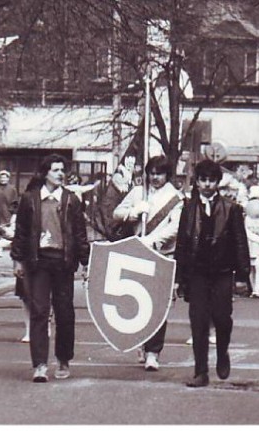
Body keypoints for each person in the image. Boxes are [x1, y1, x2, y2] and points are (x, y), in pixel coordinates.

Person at [11, 154, 90, 383]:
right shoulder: (30, 200)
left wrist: (85, 262)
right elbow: (22, 232)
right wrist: (17, 260)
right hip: (39, 262)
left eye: (62, 169)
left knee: (65, 313)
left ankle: (63, 359)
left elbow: (79, 234)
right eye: (55, 170)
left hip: (63, 262)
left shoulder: (71, 200)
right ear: (45, 173)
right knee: (39, 312)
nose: (60, 173)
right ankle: (40, 365)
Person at [174, 159, 250, 388]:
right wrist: (180, 278)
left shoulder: (231, 208)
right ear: (196, 182)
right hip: (197, 272)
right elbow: (182, 244)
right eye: (202, 180)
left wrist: (243, 276)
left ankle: (223, 352)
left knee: (222, 318)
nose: (207, 184)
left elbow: (240, 242)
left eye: (211, 180)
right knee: (198, 321)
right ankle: (200, 371)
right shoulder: (188, 208)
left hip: (222, 271)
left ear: (218, 182)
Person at [113, 155, 183, 372]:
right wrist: (132, 213)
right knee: (136, 301)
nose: (155, 178)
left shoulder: (176, 198)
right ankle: (142, 342)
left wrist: (152, 240)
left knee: (157, 305)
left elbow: (175, 228)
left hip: (162, 253)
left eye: (159, 174)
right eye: (151, 173)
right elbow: (116, 213)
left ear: (167, 175)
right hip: (136, 253)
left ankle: (154, 352)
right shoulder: (137, 193)